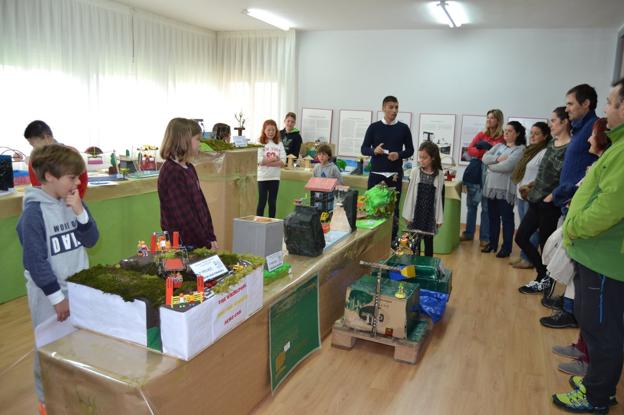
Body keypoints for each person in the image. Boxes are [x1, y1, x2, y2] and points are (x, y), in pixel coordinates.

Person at [552, 79, 624, 414]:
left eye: (611, 102)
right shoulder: (619, 147)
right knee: (595, 324)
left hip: (605, 258)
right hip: (596, 254)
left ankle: (597, 396)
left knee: (602, 328)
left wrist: (574, 229)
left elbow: (609, 207)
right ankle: (598, 384)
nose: (606, 108)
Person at [16, 144, 99, 413]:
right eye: (72, 178)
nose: (77, 183)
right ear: (50, 176)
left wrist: (79, 212)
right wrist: (57, 298)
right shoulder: (34, 213)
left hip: (78, 289)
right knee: (49, 349)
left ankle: (74, 396)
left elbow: (92, 239)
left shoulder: (73, 201)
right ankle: (46, 401)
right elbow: (35, 261)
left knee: (78, 344)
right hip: (49, 296)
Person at [548, 118, 612, 378]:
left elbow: (601, 209)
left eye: (592, 136)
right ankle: (582, 347)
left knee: (596, 316)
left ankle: (590, 366)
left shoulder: (610, 165)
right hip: (585, 246)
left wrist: (573, 228)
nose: (587, 140)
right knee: (586, 310)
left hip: (595, 248)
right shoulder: (599, 164)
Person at [517, 108, 571, 295]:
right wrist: (532, 187)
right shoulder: (552, 143)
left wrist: (551, 197)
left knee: (545, 245)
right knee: (521, 237)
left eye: (554, 121)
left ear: (565, 122)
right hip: (535, 200)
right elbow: (543, 173)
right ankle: (543, 274)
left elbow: (566, 178)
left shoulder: (569, 148)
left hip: (549, 205)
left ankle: (544, 280)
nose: (551, 124)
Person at [158, 118, 218, 250]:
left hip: (198, 241)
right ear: (184, 140)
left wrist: (210, 236)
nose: (200, 144)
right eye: (198, 139)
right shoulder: (172, 172)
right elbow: (185, 217)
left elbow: (202, 206)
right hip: (182, 245)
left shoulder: (189, 167)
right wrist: (206, 243)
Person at [361, 95, 414, 241]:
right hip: (376, 174)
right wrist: (374, 151)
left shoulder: (403, 128)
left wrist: (399, 155)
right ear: (383, 108)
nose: (394, 110)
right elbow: (364, 149)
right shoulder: (374, 127)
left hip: (394, 175)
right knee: (373, 207)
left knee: (393, 209)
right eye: (391, 107)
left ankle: (392, 241)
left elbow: (410, 150)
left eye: (396, 107)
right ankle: (371, 240)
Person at [481, 121, 525, 258]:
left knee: (506, 219)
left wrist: (491, 166)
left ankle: (506, 248)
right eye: (505, 130)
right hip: (491, 188)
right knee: (492, 217)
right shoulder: (499, 146)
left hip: (505, 190)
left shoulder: (520, 149)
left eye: (510, 131)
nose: (506, 133)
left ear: (517, 133)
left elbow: (508, 166)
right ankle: (493, 244)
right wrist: (499, 158)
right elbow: (484, 158)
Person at [460, 109, 505, 246]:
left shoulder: (501, 138)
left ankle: (484, 238)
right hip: (475, 173)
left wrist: (486, 151)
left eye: (492, 118)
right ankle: (468, 233)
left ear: (498, 120)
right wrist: (483, 151)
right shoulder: (481, 134)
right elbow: (470, 150)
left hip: (490, 174)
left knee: (486, 208)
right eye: (488, 117)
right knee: (471, 205)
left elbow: (499, 157)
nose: (489, 120)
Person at [509, 122, 551, 268]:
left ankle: (528, 259)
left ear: (545, 136)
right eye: (531, 133)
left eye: (536, 133)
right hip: (522, 196)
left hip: (532, 197)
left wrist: (529, 187)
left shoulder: (544, 152)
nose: (532, 136)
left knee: (531, 232)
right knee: (524, 230)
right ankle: (523, 256)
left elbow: (542, 176)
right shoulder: (529, 150)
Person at [551, 84, 599, 209]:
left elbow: (596, 169)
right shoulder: (579, 129)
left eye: (570, 104)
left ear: (585, 103)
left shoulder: (595, 128)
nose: (566, 109)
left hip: (577, 201)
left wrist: (569, 192)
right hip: (568, 200)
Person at [24, 120, 88, 198]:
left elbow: (82, 181)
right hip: (48, 205)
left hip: (71, 202)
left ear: (46, 137)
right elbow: (37, 186)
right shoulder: (35, 160)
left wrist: (75, 201)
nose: (34, 149)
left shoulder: (71, 154)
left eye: (34, 145)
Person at [402, 141, 445, 257]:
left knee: (429, 244)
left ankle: (428, 268)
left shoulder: (439, 175)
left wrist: (439, 218)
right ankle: (415, 267)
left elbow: (440, 199)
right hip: (417, 214)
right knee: (415, 244)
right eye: (420, 157)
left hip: (429, 214)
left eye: (424, 158)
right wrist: (408, 215)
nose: (421, 160)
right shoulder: (415, 172)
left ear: (433, 158)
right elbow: (410, 195)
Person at [257, 119, 286, 218]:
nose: (271, 132)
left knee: (272, 203)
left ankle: (271, 224)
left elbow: (283, 162)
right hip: (262, 177)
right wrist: (274, 159)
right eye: (268, 130)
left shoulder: (279, 144)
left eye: (273, 130)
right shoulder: (259, 143)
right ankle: (258, 223)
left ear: (276, 131)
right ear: (264, 130)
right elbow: (260, 161)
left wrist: (267, 162)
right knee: (262, 202)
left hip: (275, 177)